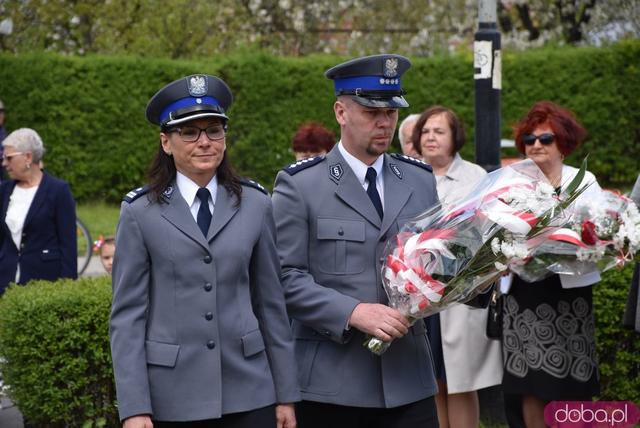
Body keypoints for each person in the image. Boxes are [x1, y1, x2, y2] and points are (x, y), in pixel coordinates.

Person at [109, 74, 299, 428]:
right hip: (173, 395)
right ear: (166, 142)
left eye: (214, 130)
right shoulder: (140, 212)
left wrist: (285, 394)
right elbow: (127, 318)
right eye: (189, 132)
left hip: (250, 390)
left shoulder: (256, 204)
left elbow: (271, 304)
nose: (205, 142)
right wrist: (134, 407)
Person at [272, 54, 440, 428]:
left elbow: (438, 263)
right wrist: (352, 312)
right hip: (333, 385)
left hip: (408, 381)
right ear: (340, 112)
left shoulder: (419, 180)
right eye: (370, 111)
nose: (384, 122)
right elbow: (284, 277)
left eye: (391, 113)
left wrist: (485, 266)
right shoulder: (301, 185)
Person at [501, 101, 603, 428]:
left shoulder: (585, 182)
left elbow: (602, 233)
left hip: (570, 293)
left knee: (572, 381)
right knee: (530, 382)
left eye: (545, 139)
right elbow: (493, 235)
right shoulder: (511, 181)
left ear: (563, 143)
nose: (535, 145)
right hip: (524, 291)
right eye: (529, 139)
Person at [412, 105, 503, 428]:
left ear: (455, 138)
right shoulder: (409, 173)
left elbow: (488, 231)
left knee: (460, 382)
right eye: (425, 131)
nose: (431, 137)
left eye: (439, 131)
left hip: (461, 295)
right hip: (418, 295)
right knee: (431, 380)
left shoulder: (475, 177)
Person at [0, 128, 77, 295]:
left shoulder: (58, 191)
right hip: (5, 283)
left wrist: (68, 290)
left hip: (44, 283)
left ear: (28, 157)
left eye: (9, 158)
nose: (4, 163)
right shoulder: (4, 191)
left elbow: (68, 246)